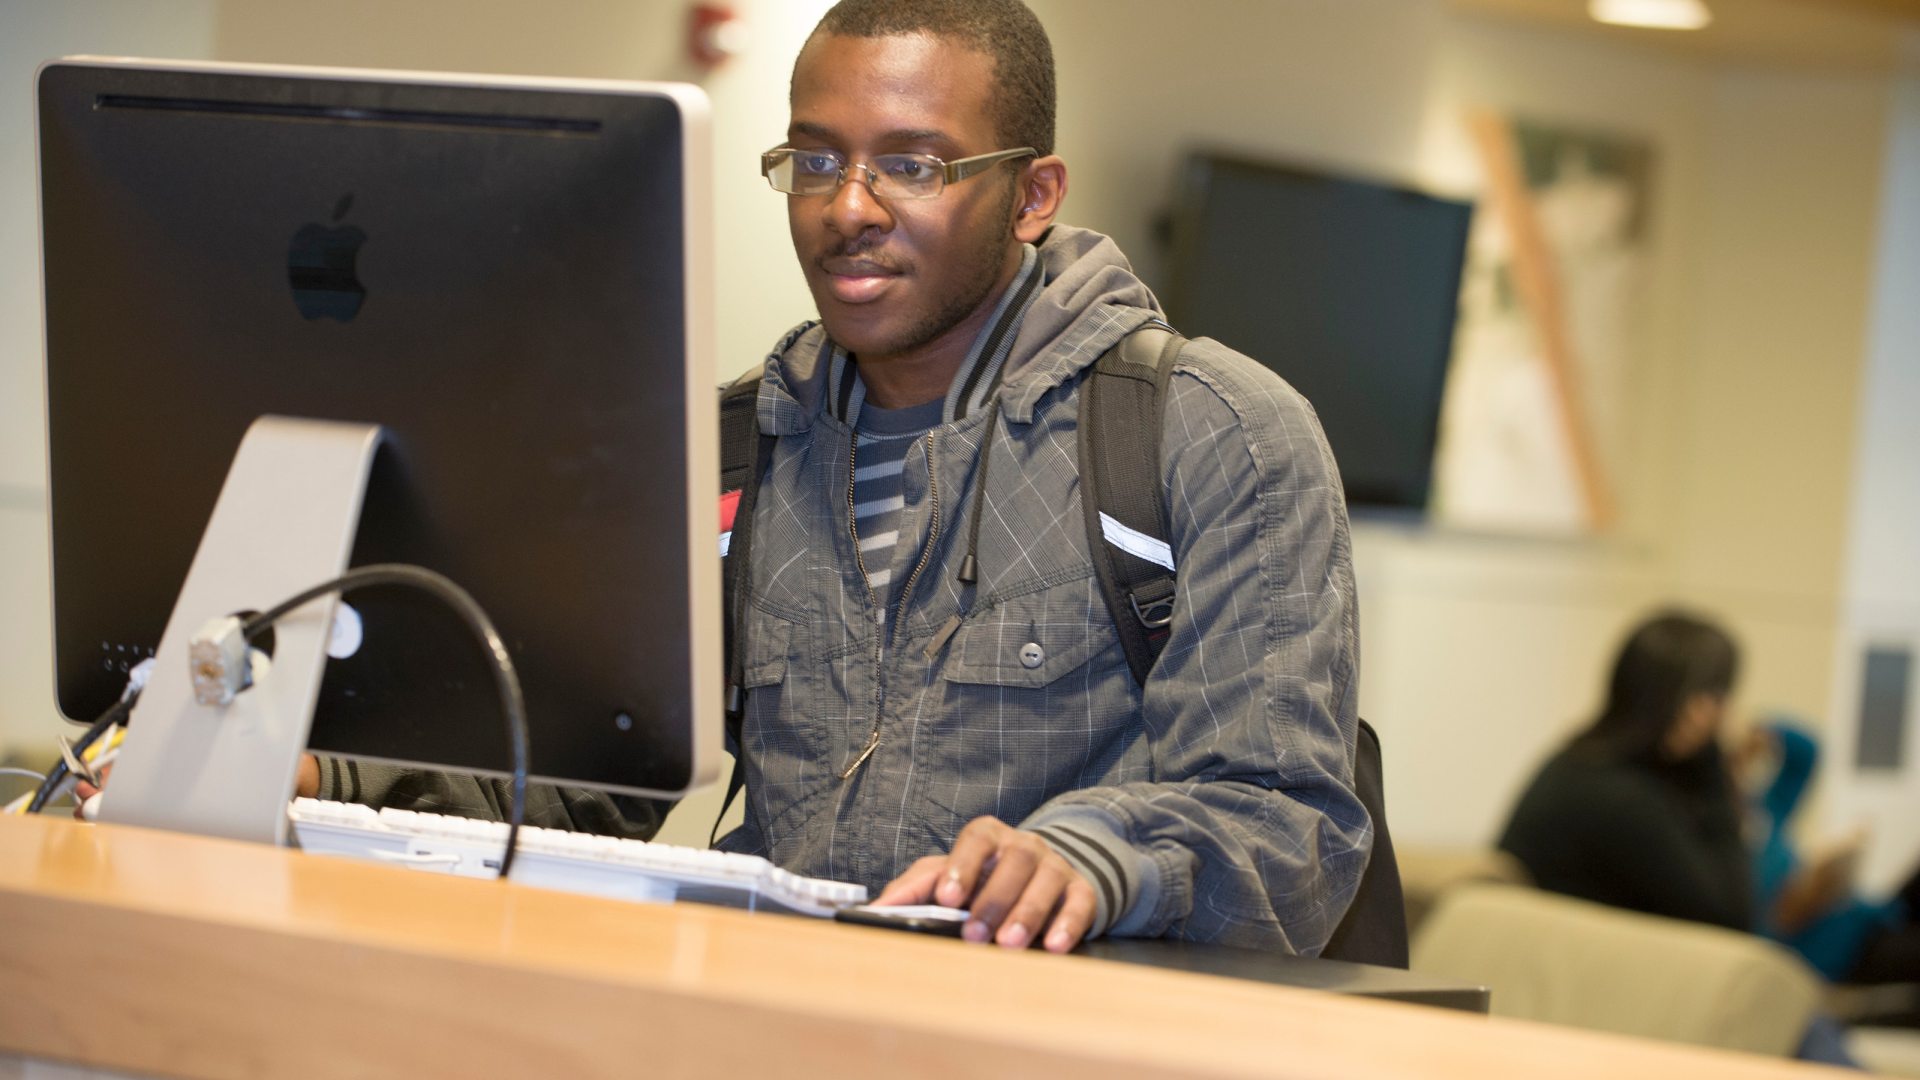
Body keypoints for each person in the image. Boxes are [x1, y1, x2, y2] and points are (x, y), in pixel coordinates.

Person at [94, 0, 1368, 957]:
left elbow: (1288, 826)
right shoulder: (729, 450)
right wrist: (316, 777)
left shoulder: (1212, 435)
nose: (848, 205)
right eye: (815, 159)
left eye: (913, 164)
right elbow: (586, 774)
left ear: (1033, 195)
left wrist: (1092, 858)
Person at [1499, 611, 1752, 930]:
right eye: (1706, 695)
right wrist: (1713, 764)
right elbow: (1732, 918)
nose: (1713, 714)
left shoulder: (1579, 761)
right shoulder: (1620, 797)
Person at [1747, 718, 1920, 988]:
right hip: (1845, 952)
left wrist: (1763, 729)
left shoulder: (1765, 813)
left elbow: (1806, 753)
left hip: (1870, 915)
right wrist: (1795, 906)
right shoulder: (1725, 863)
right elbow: (1759, 939)